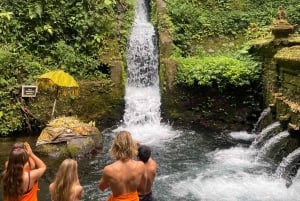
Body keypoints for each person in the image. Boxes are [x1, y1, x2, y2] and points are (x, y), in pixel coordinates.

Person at [98, 130, 145, 201]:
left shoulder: (109, 169)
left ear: (115, 147)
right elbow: (142, 187)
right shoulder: (140, 166)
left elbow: (102, 188)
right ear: (132, 146)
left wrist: (112, 182)